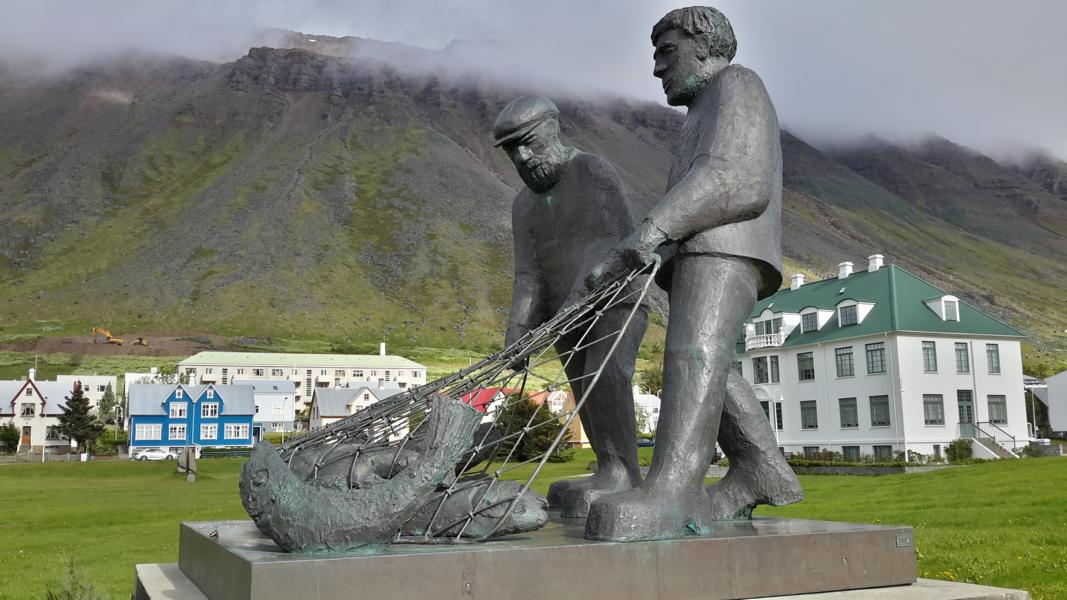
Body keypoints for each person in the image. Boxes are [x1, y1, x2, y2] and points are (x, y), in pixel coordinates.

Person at [581, 6, 801, 541]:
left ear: (705, 46)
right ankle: (761, 470)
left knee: (693, 354)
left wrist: (652, 229)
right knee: (708, 362)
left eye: (666, 51)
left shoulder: (738, 86)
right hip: (700, 250)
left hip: (725, 250)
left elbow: (737, 178)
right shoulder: (702, 109)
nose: (658, 68)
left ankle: (674, 491)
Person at [495, 95, 648, 518]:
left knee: (608, 373)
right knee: (582, 387)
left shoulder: (593, 171)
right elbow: (529, 275)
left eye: (528, 142)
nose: (522, 157)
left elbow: (610, 244)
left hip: (613, 301)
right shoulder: (523, 205)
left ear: (553, 129)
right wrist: (519, 332)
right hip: (565, 318)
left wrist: (578, 298)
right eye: (511, 149)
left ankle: (623, 473)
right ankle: (606, 467)